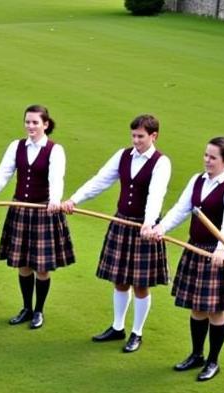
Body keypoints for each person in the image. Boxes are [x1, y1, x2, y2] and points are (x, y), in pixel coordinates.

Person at [62, 114, 171, 353]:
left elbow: (156, 194)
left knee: (141, 284)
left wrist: (149, 222)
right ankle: (118, 327)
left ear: (154, 136)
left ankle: (137, 333)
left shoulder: (161, 163)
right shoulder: (123, 155)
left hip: (145, 229)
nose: (136, 141)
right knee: (120, 280)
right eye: (133, 136)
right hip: (121, 223)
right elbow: (100, 180)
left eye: (141, 137)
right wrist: (74, 199)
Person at [143, 136, 224, 381]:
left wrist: (222, 249)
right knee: (197, 308)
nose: (207, 161)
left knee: (215, 312)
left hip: (216, 253)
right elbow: (181, 208)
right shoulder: (197, 180)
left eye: (213, 157)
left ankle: (213, 361)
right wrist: (161, 228)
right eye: (206, 155)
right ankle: (196, 354)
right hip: (195, 248)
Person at [0, 104, 75, 330]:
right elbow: (4, 172)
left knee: (41, 267)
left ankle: (39, 310)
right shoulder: (16, 146)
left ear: (46, 124)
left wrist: (55, 200)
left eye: (35, 122)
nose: (30, 126)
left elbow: (56, 178)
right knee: (22, 264)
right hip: (20, 209)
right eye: (27, 122)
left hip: (44, 211)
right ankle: (26, 308)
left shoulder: (55, 150)